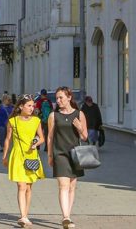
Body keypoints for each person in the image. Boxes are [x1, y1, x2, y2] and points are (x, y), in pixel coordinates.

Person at [47, 87, 88, 229]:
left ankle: (68, 215)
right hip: (60, 154)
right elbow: (50, 136)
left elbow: (85, 136)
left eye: (61, 98)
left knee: (72, 186)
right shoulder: (53, 116)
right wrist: (50, 155)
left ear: (69, 97)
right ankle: (65, 217)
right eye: (57, 98)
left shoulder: (79, 114)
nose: (58, 101)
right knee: (63, 185)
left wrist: (79, 127)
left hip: (75, 154)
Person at [2, 94, 46, 228]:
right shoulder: (13, 121)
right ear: (21, 106)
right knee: (21, 186)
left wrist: (36, 143)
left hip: (31, 156)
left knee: (28, 187)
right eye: (29, 105)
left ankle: (25, 214)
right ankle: (23, 216)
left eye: (33, 106)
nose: (32, 108)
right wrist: (5, 156)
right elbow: (8, 139)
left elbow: (42, 138)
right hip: (17, 156)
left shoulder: (36, 121)